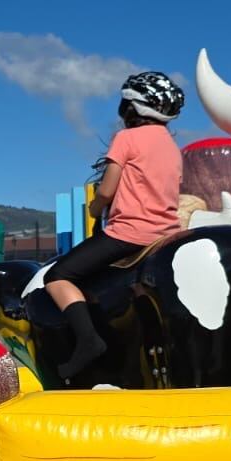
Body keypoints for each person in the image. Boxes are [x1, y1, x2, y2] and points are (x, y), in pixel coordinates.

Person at [43, 70, 185, 378]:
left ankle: (88, 341)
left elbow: (107, 190)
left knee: (57, 276)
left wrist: (95, 209)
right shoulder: (172, 147)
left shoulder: (126, 138)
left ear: (132, 107)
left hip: (130, 233)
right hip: (166, 236)